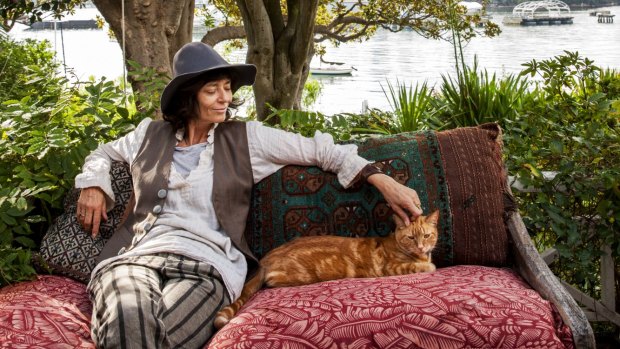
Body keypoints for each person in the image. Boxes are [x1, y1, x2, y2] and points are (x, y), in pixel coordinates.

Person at [75, 41, 423, 348]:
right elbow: (102, 154)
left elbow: (321, 150)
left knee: (143, 331)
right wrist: (92, 184)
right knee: (129, 311)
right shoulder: (148, 135)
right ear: (188, 96)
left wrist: (382, 179)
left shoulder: (247, 139)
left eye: (227, 88)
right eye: (212, 90)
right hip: (137, 259)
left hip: (206, 266)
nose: (225, 97)